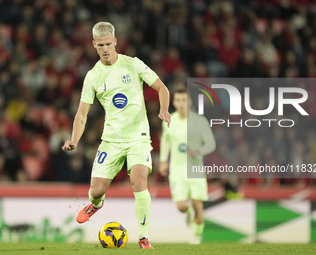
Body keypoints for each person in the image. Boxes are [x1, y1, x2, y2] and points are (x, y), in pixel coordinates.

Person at [62, 22, 171, 249]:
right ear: (94, 44)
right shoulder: (93, 76)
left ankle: (143, 238)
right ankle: (96, 203)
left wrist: (164, 109)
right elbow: (82, 112)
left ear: (115, 42)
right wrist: (74, 140)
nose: (104, 49)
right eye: (100, 45)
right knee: (96, 190)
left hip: (138, 137)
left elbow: (161, 87)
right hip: (110, 140)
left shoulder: (133, 64)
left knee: (139, 180)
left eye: (108, 44)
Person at [159, 87, 215, 244]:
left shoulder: (199, 121)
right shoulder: (170, 121)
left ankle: (197, 236)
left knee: (198, 204)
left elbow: (211, 143)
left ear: (189, 102)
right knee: (181, 206)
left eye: (184, 100)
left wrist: (198, 151)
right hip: (177, 170)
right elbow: (166, 141)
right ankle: (188, 211)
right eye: (178, 100)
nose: (181, 103)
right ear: (174, 102)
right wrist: (163, 161)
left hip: (196, 170)